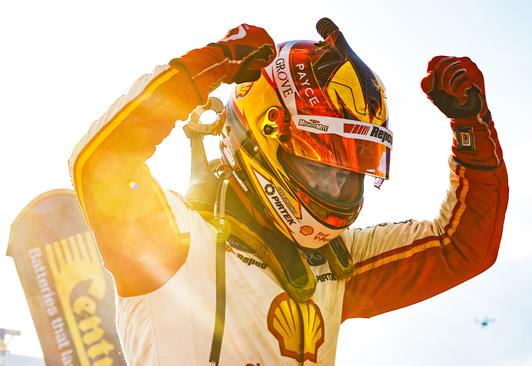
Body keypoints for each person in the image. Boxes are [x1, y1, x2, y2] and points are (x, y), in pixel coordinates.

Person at [69, 19, 508, 365]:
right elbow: (100, 164)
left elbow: (461, 247)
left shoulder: (336, 261)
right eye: (322, 163)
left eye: (354, 168)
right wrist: (209, 66)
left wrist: (472, 129)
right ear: (265, 136)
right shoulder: (174, 238)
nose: (339, 186)